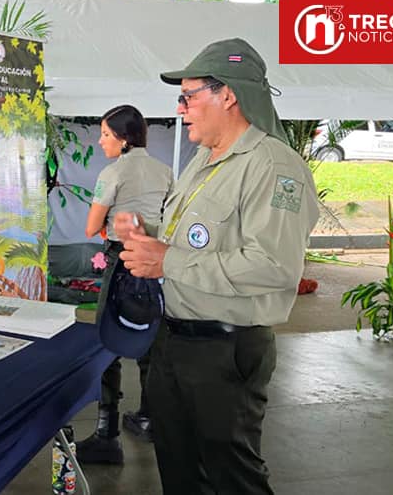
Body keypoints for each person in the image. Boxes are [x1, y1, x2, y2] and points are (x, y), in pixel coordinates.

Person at [113, 38, 319, 494]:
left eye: (188, 97)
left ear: (227, 94)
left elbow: (274, 266)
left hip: (226, 352)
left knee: (232, 477)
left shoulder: (273, 166)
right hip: (174, 341)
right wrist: (147, 234)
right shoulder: (203, 160)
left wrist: (168, 259)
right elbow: (193, 237)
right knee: (179, 469)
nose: (181, 108)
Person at [76, 105, 172, 463]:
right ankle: (148, 418)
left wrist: (107, 227)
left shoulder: (113, 172)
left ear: (125, 138)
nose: (100, 141)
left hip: (121, 263)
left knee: (108, 341)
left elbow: (90, 227)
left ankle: (107, 434)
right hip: (155, 263)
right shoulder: (165, 171)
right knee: (150, 341)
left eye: (105, 134)